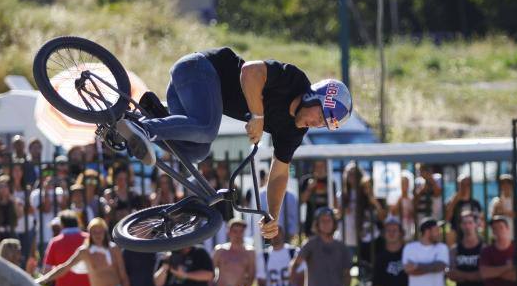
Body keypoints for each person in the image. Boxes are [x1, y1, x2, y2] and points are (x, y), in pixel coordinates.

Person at [114, 47, 353, 240]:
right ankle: (145, 129)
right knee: (207, 129)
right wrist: (257, 117)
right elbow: (250, 71)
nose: (315, 123)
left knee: (197, 151)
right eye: (320, 116)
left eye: (322, 125)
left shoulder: (293, 132)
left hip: (188, 96)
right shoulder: (294, 80)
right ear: (314, 97)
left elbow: (279, 174)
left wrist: (272, 215)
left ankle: (146, 116)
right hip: (198, 70)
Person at [372, 217, 409, 286]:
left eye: (394, 230)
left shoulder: (409, 254)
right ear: (384, 234)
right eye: (388, 231)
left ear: (401, 233)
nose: (391, 233)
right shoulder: (380, 258)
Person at [443, 175, 482, 245]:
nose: (465, 187)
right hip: (456, 234)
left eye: (468, 184)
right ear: (458, 186)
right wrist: (454, 202)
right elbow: (446, 218)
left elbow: (481, 220)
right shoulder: (451, 202)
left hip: (472, 234)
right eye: (462, 184)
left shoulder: (476, 203)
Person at [299, 160, 332, 236]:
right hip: (311, 222)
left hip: (326, 224)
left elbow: (334, 204)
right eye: (317, 166)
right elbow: (302, 201)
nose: (319, 169)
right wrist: (309, 188)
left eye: (321, 166)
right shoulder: (306, 180)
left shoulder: (330, 181)